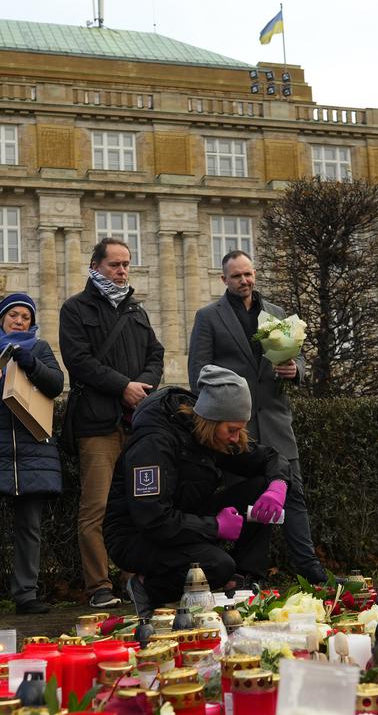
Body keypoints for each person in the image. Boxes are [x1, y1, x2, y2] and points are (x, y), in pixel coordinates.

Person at [186, 250, 327, 584]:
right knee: (249, 502)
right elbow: (198, 373)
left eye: (248, 274)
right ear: (223, 280)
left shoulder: (276, 314)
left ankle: (311, 572)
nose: (244, 281)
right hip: (236, 430)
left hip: (277, 423)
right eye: (236, 276)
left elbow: (300, 361)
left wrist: (296, 370)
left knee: (293, 497)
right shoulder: (209, 317)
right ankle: (251, 574)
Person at [104, 365, 289, 617]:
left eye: (240, 428)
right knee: (216, 565)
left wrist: (277, 485)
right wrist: (214, 526)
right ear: (212, 420)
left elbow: (267, 458)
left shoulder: (211, 432)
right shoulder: (154, 443)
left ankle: (242, 582)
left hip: (181, 519)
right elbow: (152, 518)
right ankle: (148, 588)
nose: (236, 437)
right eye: (232, 430)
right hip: (136, 536)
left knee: (259, 489)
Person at [59, 237, 164, 608]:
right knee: (96, 508)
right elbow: (79, 361)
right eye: (114, 265)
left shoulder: (137, 311)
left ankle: (135, 580)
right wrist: (124, 387)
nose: (121, 272)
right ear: (95, 266)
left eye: (126, 265)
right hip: (97, 424)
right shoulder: (75, 309)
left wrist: (145, 385)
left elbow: (156, 353)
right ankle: (99, 586)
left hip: (137, 424)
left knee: (139, 504)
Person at [0, 293, 64, 615]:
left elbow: (56, 384)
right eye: (13, 315)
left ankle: (26, 595)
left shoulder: (41, 349)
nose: (19, 321)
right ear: (1, 318)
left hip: (33, 447)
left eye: (25, 317)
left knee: (29, 527)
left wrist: (30, 363)